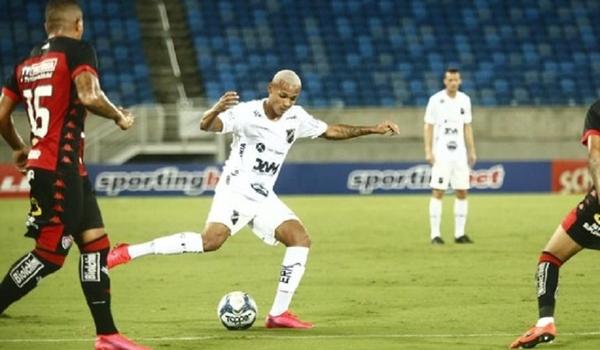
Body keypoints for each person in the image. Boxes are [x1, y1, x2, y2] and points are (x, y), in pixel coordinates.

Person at [107, 69, 400, 328]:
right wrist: (215, 109)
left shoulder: (296, 118)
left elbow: (331, 131)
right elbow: (207, 126)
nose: (287, 103)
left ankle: (278, 314)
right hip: (235, 190)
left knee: (300, 239)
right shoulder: (247, 113)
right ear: (271, 88)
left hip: (262, 196)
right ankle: (129, 251)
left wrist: (372, 129)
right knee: (210, 243)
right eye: (283, 95)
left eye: (293, 98)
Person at [0, 1, 149, 349]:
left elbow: (2, 114)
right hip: (58, 169)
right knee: (49, 254)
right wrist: (119, 117)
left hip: (64, 168)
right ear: (78, 24)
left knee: (95, 245)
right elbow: (89, 95)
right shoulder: (78, 51)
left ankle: (108, 335)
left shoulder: (26, 65)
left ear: (47, 26)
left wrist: (20, 147)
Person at [509, 100, 600, 348]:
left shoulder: (598, 110)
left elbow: (595, 155)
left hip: (597, 209)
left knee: (551, 257)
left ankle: (545, 322)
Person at [423, 68, 477, 245]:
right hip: (442, 154)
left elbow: (467, 127)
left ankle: (459, 234)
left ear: (459, 81)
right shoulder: (435, 100)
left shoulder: (465, 100)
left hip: (460, 154)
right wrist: (428, 151)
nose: (453, 82)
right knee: (438, 191)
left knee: (462, 191)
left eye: (456, 80)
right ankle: (435, 235)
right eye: (450, 80)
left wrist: (471, 150)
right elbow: (428, 126)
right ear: (445, 81)